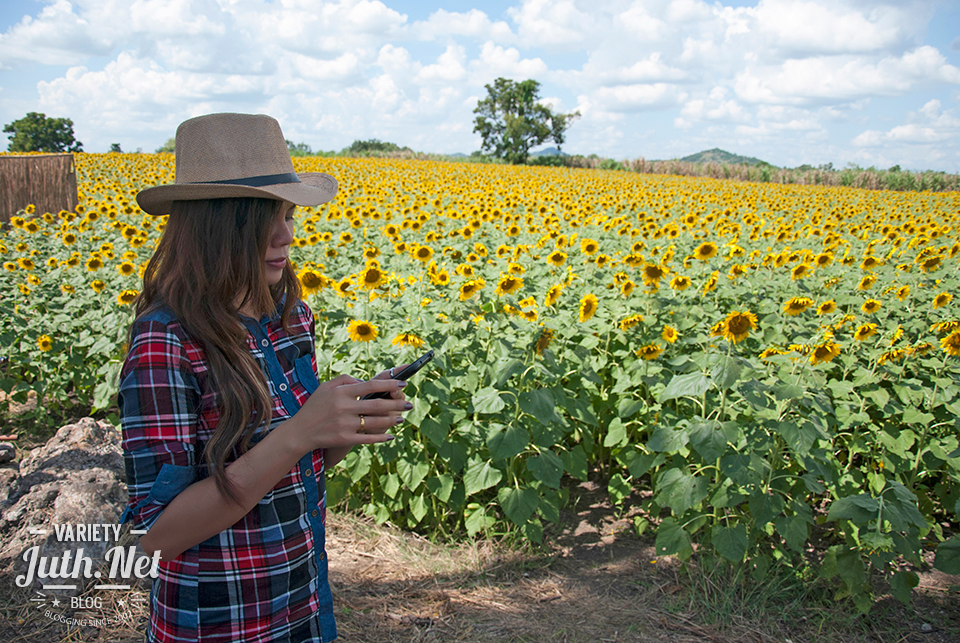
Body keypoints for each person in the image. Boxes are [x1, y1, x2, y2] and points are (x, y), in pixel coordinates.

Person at [119, 113, 409, 642]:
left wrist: (344, 423)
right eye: (263, 219)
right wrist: (298, 432)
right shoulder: (167, 341)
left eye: (287, 213)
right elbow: (154, 535)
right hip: (219, 620)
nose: (286, 235)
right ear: (216, 227)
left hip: (301, 602)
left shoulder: (290, 315)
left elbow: (294, 467)